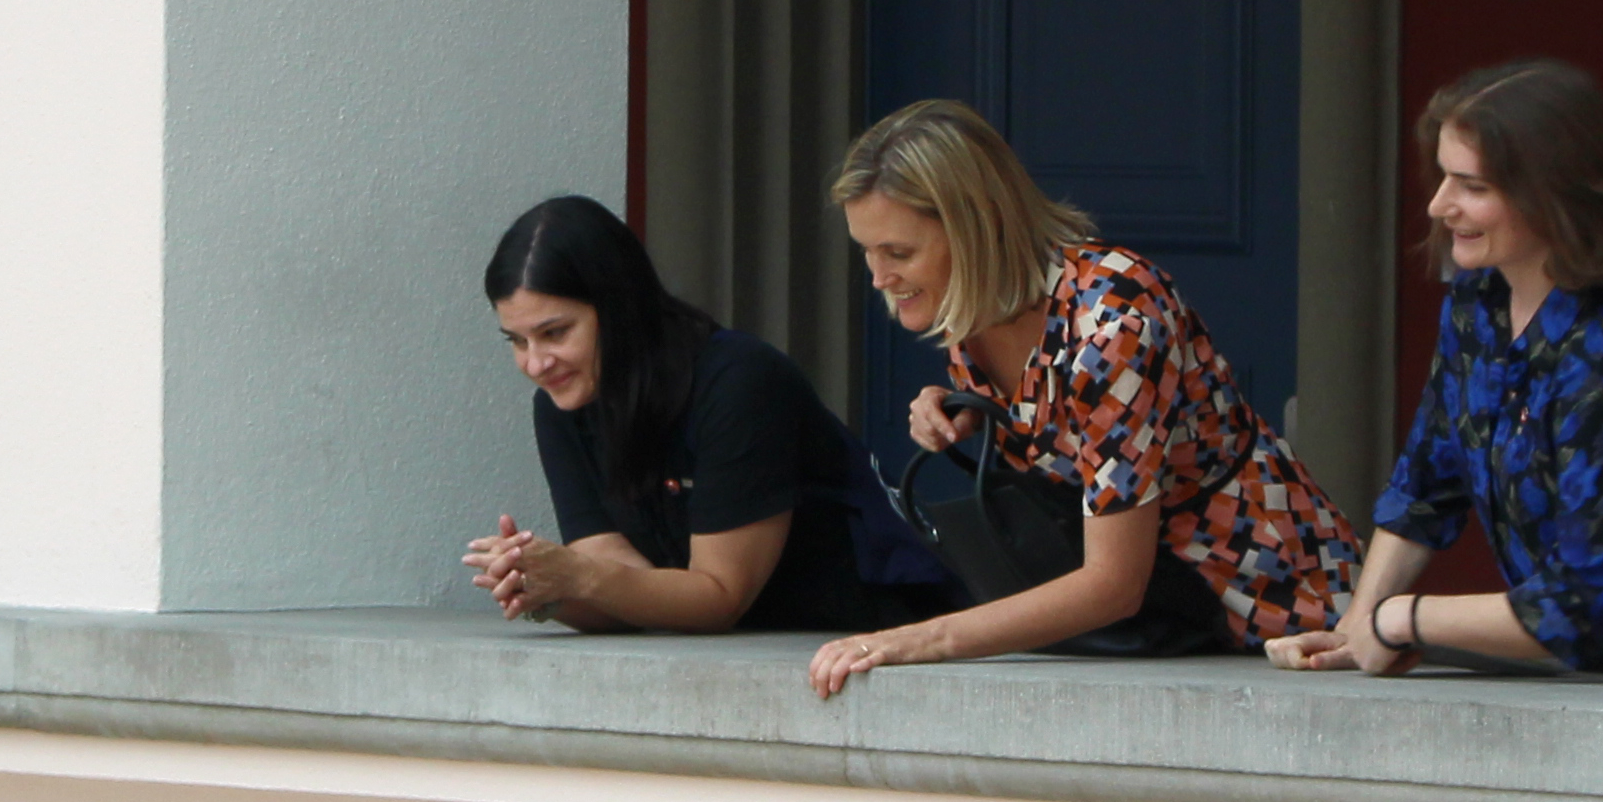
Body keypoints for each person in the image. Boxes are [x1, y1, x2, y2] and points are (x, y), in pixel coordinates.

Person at [804, 100, 1358, 698]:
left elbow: (1112, 583)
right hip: (1158, 634)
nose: (878, 277)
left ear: (976, 228)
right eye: (868, 250)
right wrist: (962, 406)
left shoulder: (1112, 319)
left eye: (899, 252)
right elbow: (1072, 430)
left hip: (1275, 613)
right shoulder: (973, 308)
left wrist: (917, 640)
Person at [1266, 60, 1603, 681]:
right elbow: (1425, 491)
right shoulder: (1476, 305)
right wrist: (1357, 629)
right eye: (1442, 178)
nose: (1439, 205)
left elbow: (1578, 609)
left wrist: (1404, 619)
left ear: (1553, 194)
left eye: (1473, 186)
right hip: (1587, 674)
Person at [462, 195, 900, 633]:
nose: (536, 364)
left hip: (868, 646)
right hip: (736, 659)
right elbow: (627, 594)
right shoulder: (562, 403)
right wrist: (540, 588)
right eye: (517, 342)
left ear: (617, 307)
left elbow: (718, 597)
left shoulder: (738, 382)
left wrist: (578, 576)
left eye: (554, 333)